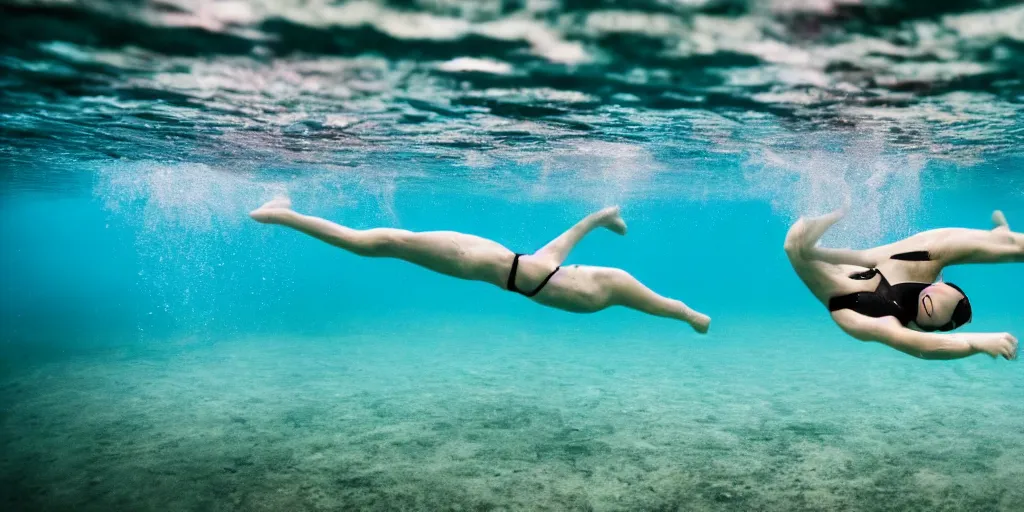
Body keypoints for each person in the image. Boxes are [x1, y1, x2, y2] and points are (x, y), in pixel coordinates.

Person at [250, 197, 711, 333]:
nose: (574, 267)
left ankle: (282, 214)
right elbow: (558, 253)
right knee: (380, 243)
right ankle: (694, 318)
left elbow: (558, 253)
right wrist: (599, 219)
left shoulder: (548, 276)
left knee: (380, 242)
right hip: (487, 263)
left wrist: (597, 220)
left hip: (471, 257)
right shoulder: (551, 280)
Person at [785, 208, 1020, 360]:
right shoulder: (911, 272)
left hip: (853, 284)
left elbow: (923, 345)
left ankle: (1004, 240)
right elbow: (863, 256)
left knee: (796, 246)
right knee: (800, 247)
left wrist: (977, 343)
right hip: (885, 273)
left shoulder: (864, 318)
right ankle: (1004, 240)